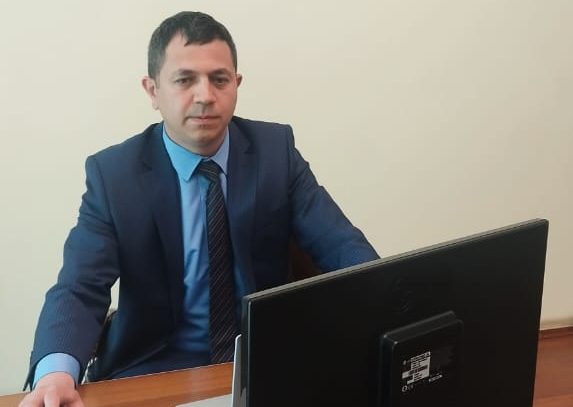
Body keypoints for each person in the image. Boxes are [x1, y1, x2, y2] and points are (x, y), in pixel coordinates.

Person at [18, 11, 379, 407]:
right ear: (153, 90)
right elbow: (79, 286)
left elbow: (340, 245)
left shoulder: (275, 152)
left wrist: (388, 311)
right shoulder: (115, 176)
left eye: (219, 79)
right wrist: (54, 374)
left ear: (236, 84)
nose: (205, 95)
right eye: (185, 80)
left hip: (262, 362)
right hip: (153, 369)